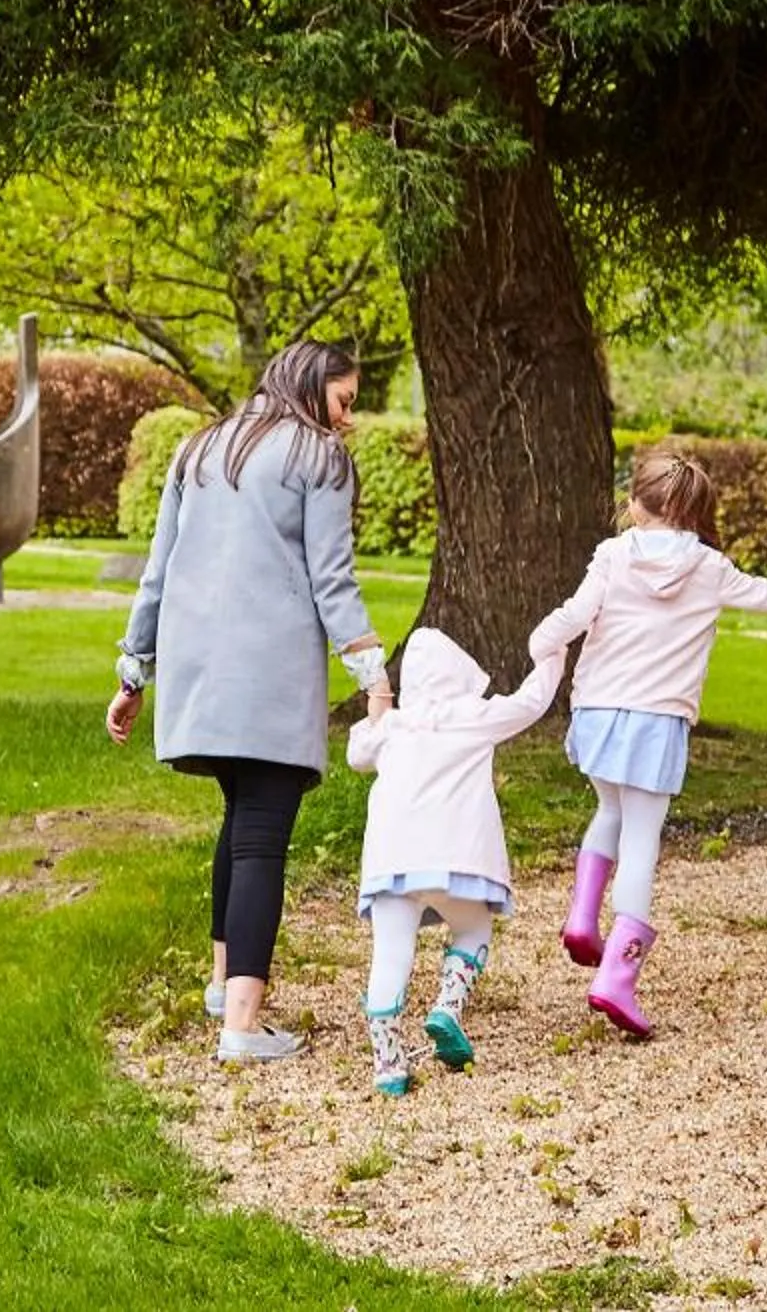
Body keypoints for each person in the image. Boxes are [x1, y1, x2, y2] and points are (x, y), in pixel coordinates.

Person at [109, 342, 386, 1063]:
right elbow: (333, 578)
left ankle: (218, 985)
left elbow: (157, 574)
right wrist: (373, 676)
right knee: (262, 837)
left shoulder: (196, 450)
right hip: (269, 676)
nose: (347, 420)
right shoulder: (317, 457)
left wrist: (134, 673)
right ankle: (243, 1023)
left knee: (239, 823)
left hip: (199, 675)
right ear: (310, 385)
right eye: (344, 401)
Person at [528, 451, 767, 1038]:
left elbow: (573, 615)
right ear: (693, 513)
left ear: (636, 504)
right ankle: (616, 977)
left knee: (607, 809)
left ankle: (584, 919)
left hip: (599, 710)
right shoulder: (708, 566)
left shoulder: (613, 555)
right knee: (640, 839)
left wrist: (543, 645)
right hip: (655, 720)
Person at [343, 626, 566, 1096]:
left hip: (391, 863)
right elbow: (531, 702)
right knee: (472, 929)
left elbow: (355, 754)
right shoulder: (475, 714)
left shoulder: (394, 726)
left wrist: (377, 711)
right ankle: (446, 1007)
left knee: (390, 954)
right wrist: (554, 653)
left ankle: (388, 1063)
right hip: (456, 860)